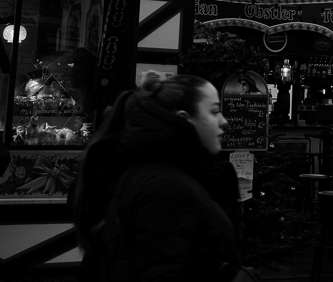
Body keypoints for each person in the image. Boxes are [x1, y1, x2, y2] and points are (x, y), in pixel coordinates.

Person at [73, 74, 243, 281]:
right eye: (214, 111)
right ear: (184, 118)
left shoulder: (163, 173)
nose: (224, 121)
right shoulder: (168, 188)